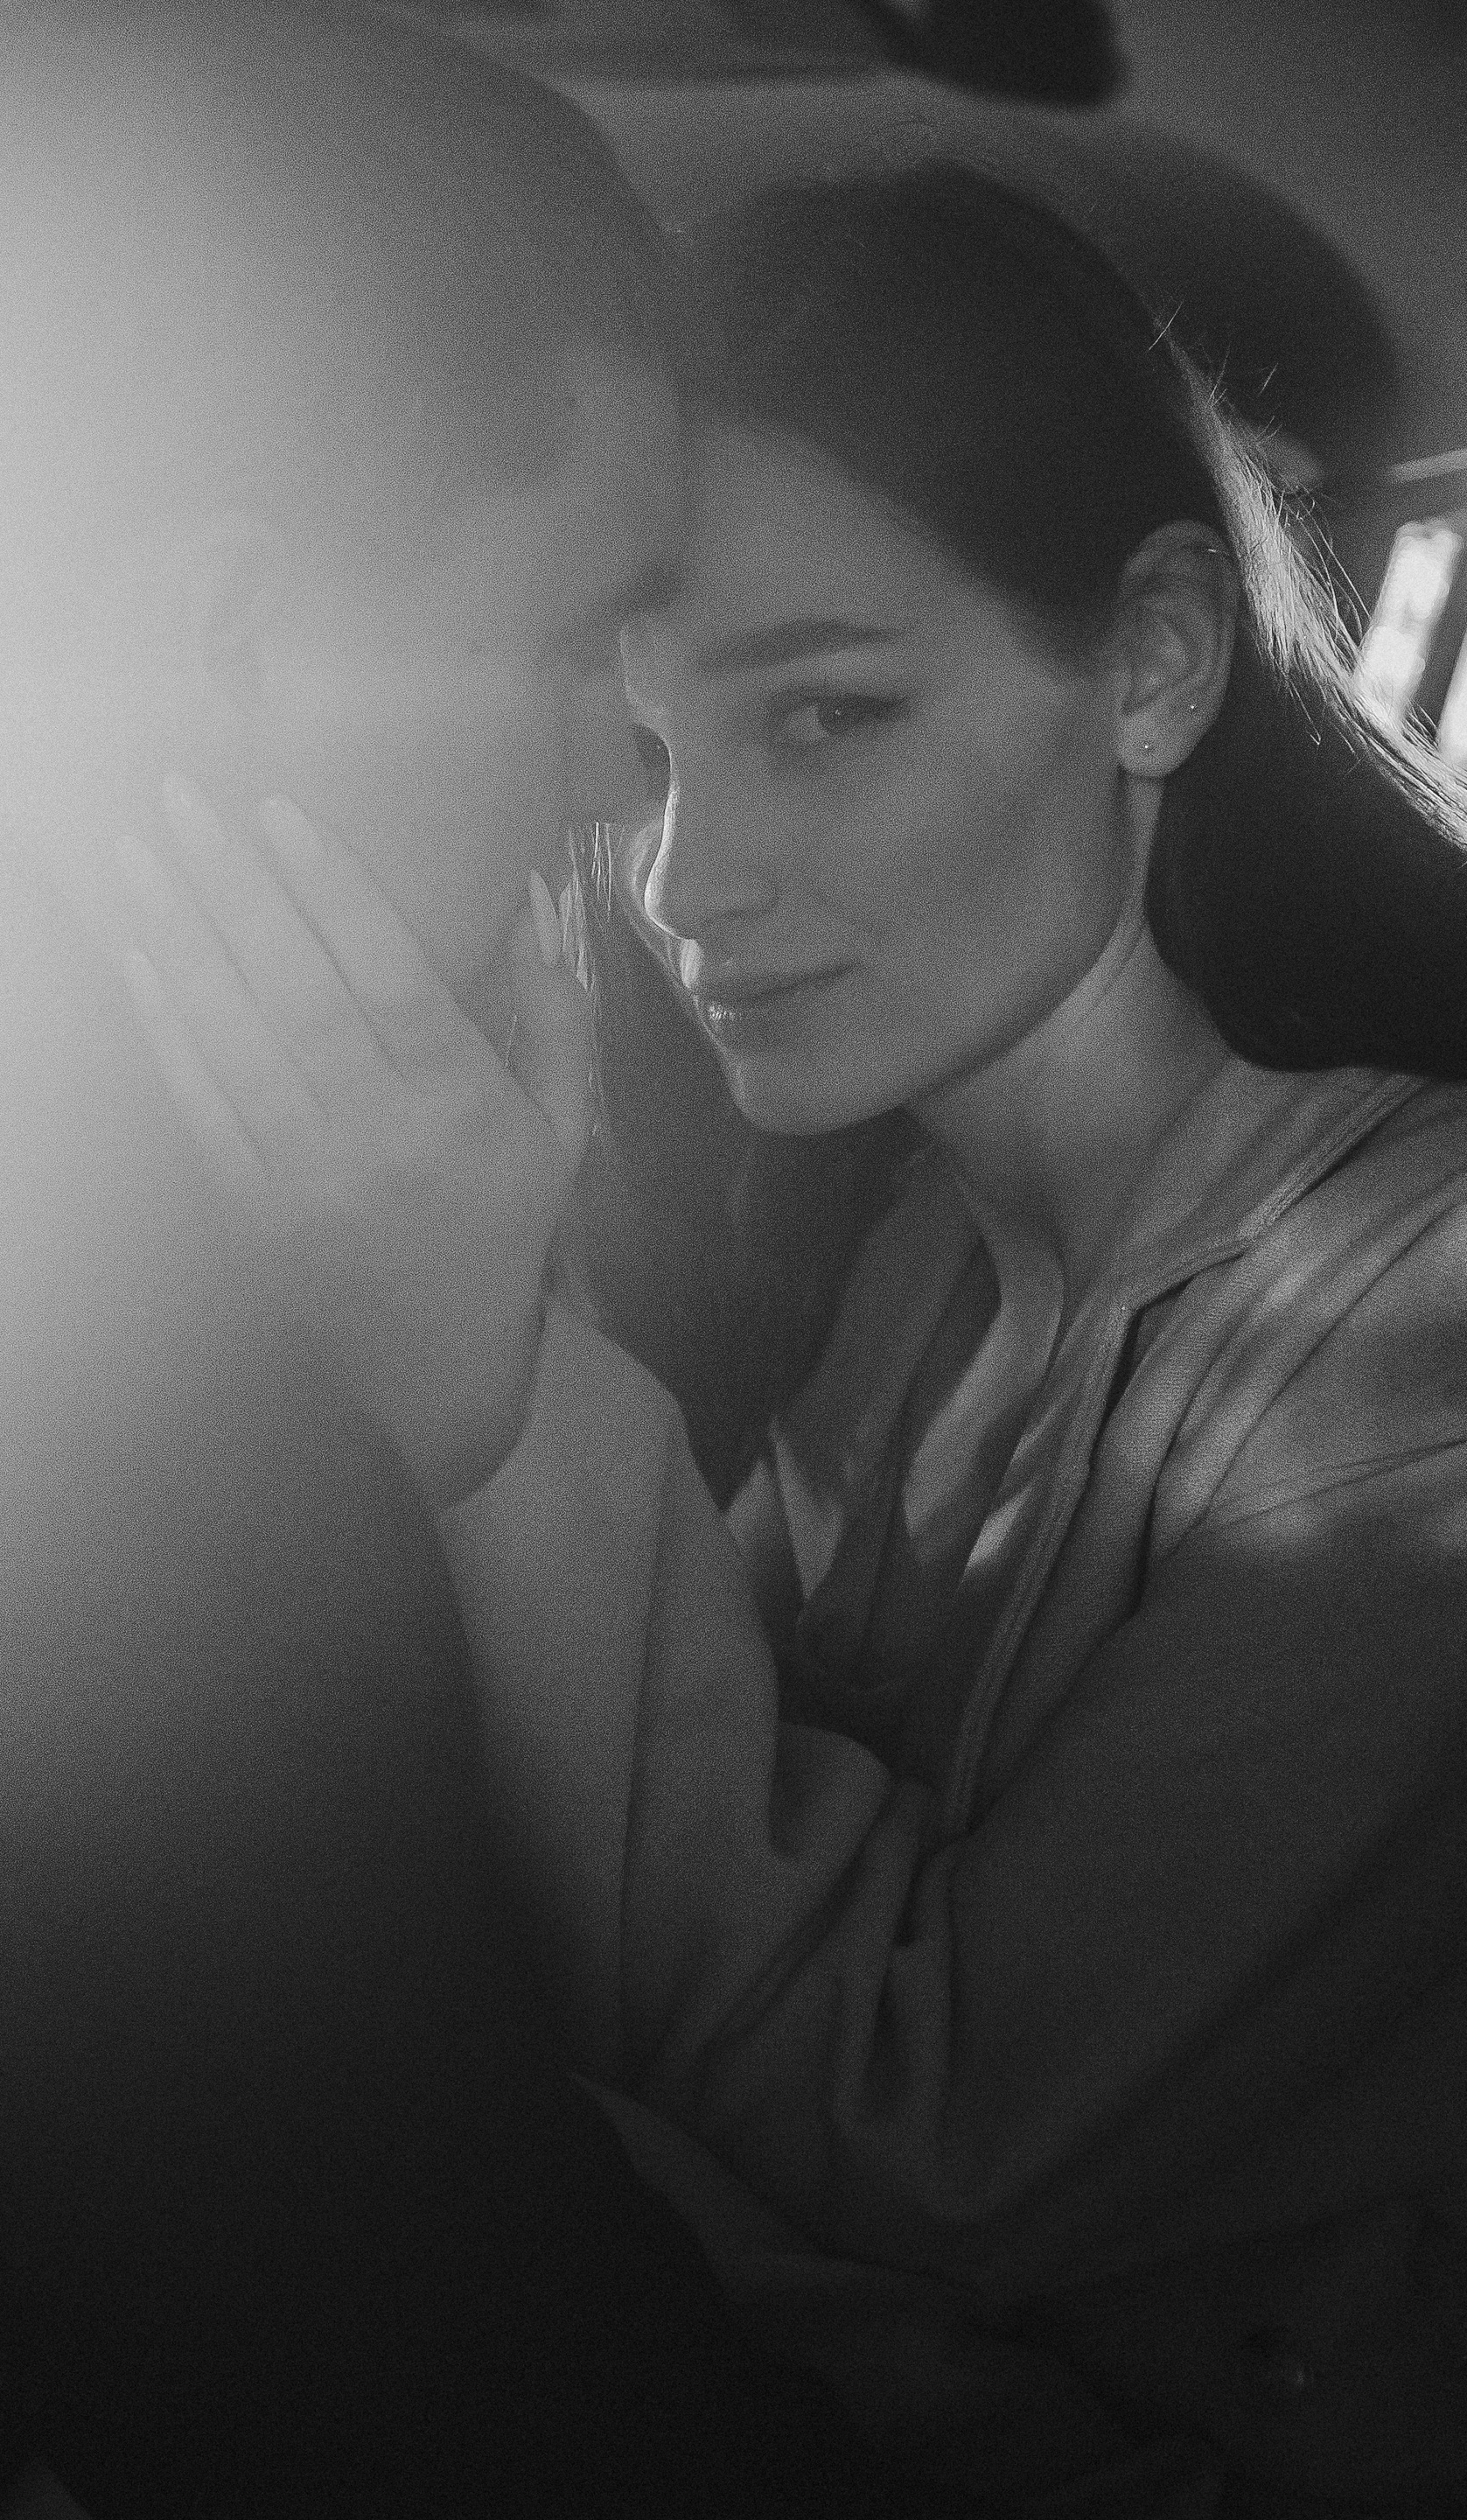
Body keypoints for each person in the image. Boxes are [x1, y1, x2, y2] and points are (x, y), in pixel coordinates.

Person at [115, 161, 1467, 2516]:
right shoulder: (906, 1273)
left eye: (824, 717)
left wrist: (491, 1385)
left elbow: (925, 2134)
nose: (687, 883)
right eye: (646, 754)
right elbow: (635, 1993)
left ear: (1152, 662)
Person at [0, 10, 970, 2512]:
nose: (621, 776)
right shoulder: (121, 1451)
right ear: (226, 645)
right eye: (569, 643)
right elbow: (448, 2337)